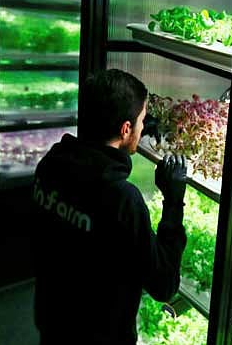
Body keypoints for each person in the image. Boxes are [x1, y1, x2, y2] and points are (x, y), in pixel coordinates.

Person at [32, 69, 188, 345]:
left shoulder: (50, 165)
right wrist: (174, 201)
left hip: (53, 322)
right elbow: (164, 285)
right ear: (125, 129)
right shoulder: (121, 199)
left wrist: (138, 120)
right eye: (141, 121)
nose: (143, 127)